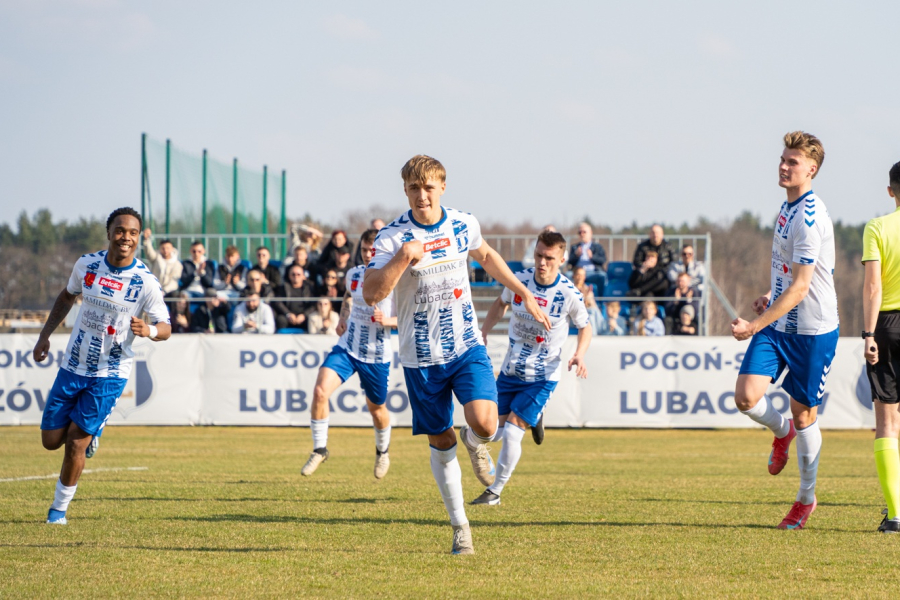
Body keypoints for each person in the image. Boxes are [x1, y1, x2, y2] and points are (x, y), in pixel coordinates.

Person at [363, 155, 550, 555]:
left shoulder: (463, 223)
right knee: (440, 441)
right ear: (405, 191)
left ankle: (475, 440)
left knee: (485, 424)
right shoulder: (392, 238)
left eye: (429, 187)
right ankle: (460, 525)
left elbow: (487, 257)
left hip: (466, 346)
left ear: (442, 187)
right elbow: (372, 292)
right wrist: (404, 258)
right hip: (421, 358)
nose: (422, 195)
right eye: (414, 188)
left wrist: (524, 292)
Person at [33, 207, 171, 525]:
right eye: (120, 230)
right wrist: (44, 335)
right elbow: (67, 297)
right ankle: (92, 432)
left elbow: (165, 326)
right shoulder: (87, 265)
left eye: (133, 233)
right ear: (109, 233)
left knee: (75, 445)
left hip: (110, 373)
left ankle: (58, 512)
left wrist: (148, 330)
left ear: (138, 238)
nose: (126, 237)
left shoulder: (144, 282)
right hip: (73, 365)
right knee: (51, 440)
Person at [731, 131, 837, 530]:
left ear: (811, 169)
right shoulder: (786, 207)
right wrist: (767, 295)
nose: (783, 166)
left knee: (805, 412)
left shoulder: (810, 218)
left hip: (812, 331)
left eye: (792, 162)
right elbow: (787, 278)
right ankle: (782, 432)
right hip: (779, 325)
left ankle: (805, 500)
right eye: (782, 159)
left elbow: (802, 286)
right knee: (745, 396)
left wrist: (757, 323)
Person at [474, 230, 591, 506]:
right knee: (491, 431)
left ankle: (495, 492)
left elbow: (585, 327)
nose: (542, 262)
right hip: (511, 371)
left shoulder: (569, 294)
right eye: (539, 255)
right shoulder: (519, 281)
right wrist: (485, 331)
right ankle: (535, 418)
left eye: (549, 258)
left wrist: (579, 354)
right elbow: (500, 304)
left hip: (542, 376)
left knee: (513, 432)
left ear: (561, 259)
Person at [301, 229, 397, 479]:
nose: (368, 255)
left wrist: (387, 321)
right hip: (348, 347)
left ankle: (382, 451)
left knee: (376, 409)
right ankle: (320, 449)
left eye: (372, 250)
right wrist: (343, 318)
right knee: (320, 391)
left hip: (376, 354)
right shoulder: (354, 274)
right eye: (365, 250)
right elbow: (347, 297)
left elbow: (409, 318)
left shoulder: (394, 279)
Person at [862, 160, 900, 533]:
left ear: (891, 191)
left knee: (888, 422)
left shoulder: (877, 227)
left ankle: (895, 515)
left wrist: (868, 335)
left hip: (888, 325)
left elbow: (873, 286)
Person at [273, 264, 314, 332]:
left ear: (303, 276)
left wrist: (304, 315)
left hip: (304, 317)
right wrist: (288, 314)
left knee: (312, 319)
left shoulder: (309, 288)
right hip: (288, 317)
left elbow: (313, 305)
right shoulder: (283, 288)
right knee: (280, 320)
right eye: (293, 274)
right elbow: (278, 302)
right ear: (289, 276)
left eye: (298, 274)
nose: (296, 276)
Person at [566, 222, 606, 288]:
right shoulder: (575, 247)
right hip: (577, 273)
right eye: (580, 232)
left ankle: (600, 298)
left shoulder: (597, 247)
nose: (582, 234)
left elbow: (603, 260)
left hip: (592, 272)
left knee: (602, 276)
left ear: (590, 233)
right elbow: (570, 262)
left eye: (584, 232)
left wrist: (592, 257)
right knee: (567, 275)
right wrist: (576, 255)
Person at [142, 229, 182, 294]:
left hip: (170, 292)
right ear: (160, 249)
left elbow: (174, 281)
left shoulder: (177, 264)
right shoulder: (156, 258)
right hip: (155, 289)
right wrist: (147, 240)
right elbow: (149, 253)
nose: (165, 250)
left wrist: (164, 291)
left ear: (172, 249)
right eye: (163, 248)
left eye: (168, 248)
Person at [571, 266, 603, 332]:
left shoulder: (587, 289)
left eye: (582, 275)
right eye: (578, 275)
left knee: (593, 313)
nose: (580, 277)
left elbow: (592, 306)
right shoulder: (570, 289)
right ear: (573, 276)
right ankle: (600, 332)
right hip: (574, 316)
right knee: (591, 315)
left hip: (587, 313)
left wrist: (589, 298)